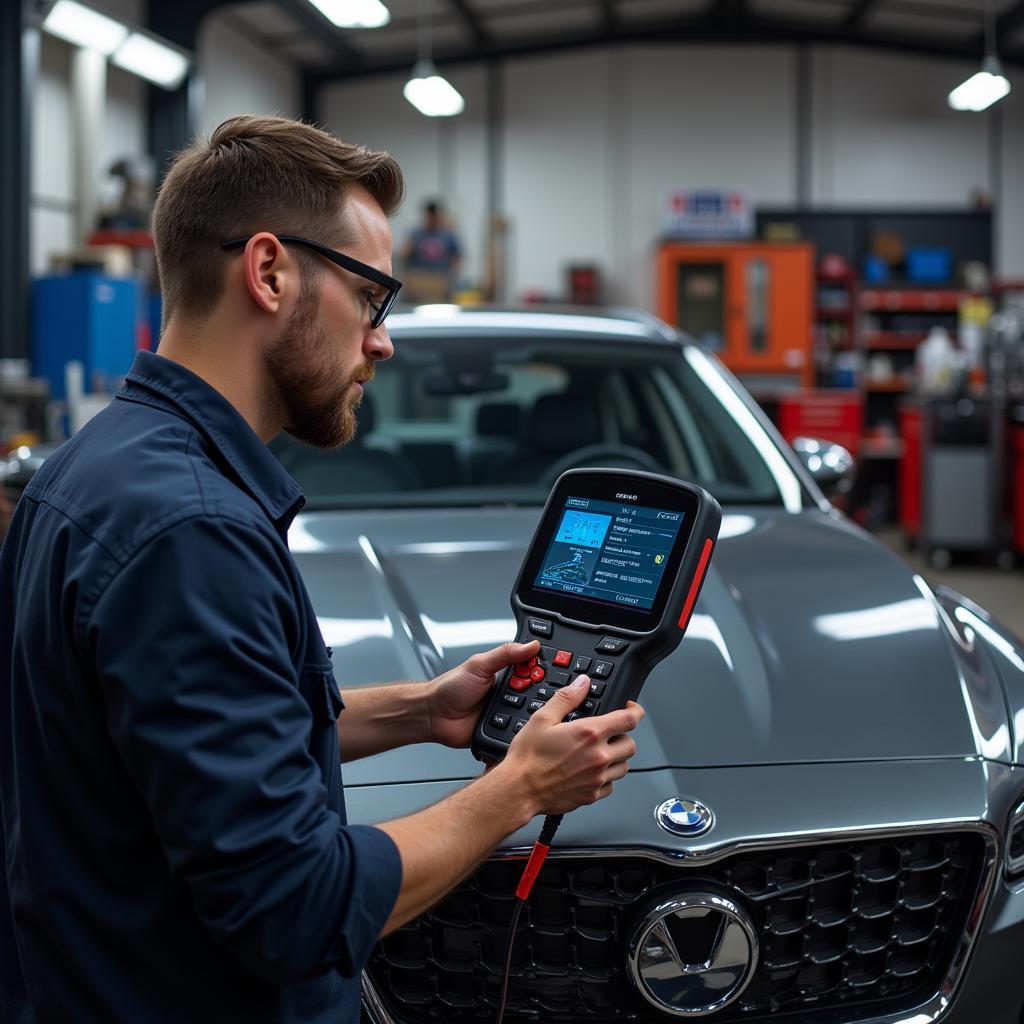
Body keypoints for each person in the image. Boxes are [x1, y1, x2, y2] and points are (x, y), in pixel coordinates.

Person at [0, 115, 642, 1024]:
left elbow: (173, 750)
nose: (382, 341)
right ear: (269, 271)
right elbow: (296, 908)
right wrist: (518, 790)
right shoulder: (190, 531)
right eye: (372, 295)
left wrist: (422, 711)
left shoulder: (92, 466)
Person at [400, 199, 461, 301]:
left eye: (435, 216)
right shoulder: (415, 234)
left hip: (440, 280)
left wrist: (452, 276)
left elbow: (456, 257)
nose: (432, 219)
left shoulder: (448, 235)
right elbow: (403, 255)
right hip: (419, 280)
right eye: (430, 216)